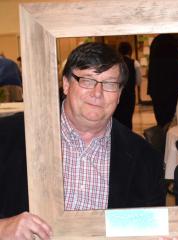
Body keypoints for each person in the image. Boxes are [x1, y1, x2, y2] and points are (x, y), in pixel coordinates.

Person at [0, 42, 166, 238]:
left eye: (110, 84)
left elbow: (150, 229)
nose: (97, 93)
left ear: (120, 94)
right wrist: (3, 227)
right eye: (87, 80)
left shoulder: (146, 158)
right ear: (67, 84)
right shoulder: (8, 136)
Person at [147, 34, 178, 127]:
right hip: (172, 92)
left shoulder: (158, 42)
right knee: (172, 122)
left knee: (162, 121)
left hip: (157, 90)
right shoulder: (173, 51)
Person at [113, 41, 142, 129]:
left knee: (116, 118)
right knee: (128, 119)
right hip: (129, 96)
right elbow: (138, 81)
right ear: (130, 51)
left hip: (116, 95)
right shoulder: (135, 63)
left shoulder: (114, 63)